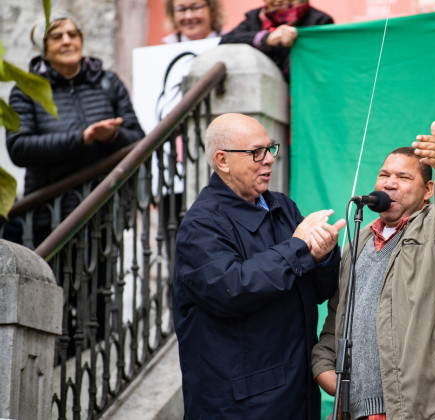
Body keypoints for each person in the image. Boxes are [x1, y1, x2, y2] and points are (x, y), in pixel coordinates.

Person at [173, 113, 346, 418]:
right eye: (256, 152)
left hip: (297, 391)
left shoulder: (282, 207)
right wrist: (297, 247)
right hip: (240, 404)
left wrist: (323, 256)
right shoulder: (201, 223)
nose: (268, 160)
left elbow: (318, 292)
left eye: (271, 149)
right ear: (222, 161)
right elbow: (231, 289)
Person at [312, 121, 435, 419]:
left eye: (403, 177)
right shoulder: (357, 241)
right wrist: (324, 367)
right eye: (384, 175)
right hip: (358, 413)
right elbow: (337, 320)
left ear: (428, 189)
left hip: (431, 410)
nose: (389, 183)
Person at [5, 12, 145, 246]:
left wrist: (113, 136)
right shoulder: (26, 91)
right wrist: (81, 139)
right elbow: (19, 147)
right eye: (56, 36)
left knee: (104, 283)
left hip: (107, 211)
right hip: (51, 218)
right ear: (43, 48)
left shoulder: (108, 82)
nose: (67, 41)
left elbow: (139, 139)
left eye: (72, 34)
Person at [219, 0, 333, 79]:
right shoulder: (254, 17)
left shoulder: (320, 20)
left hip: (300, 97)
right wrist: (265, 38)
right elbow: (225, 41)